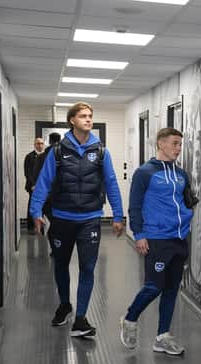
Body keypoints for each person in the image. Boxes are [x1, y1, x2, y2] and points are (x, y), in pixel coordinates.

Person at [30, 102, 125, 337]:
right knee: (60, 264)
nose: (88, 119)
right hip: (62, 218)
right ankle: (64, 304)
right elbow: (43, 183)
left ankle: (81, 319)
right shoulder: (58, 151)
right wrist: (35, 212)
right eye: (83, 116)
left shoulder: (102, 152)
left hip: (90, 218)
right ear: (71, 120)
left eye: (91, 115)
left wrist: (118, 214)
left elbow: (112, 183)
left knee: (88, 268)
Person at [120, 128, 193, 356]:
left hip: (179, 238)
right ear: (161, 144)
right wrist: (139, 235)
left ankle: (162, 336)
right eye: (175, 143)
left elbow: (186, 200)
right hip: (157, 237)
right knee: (154, 286)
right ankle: (130, 319)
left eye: (180, 144)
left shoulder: (182, 174)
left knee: (172, 289)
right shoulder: (145, 172)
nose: (178, 148)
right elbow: (134, 206)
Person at [24, 137, 46, 233]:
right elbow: (27, 172)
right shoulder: (29, 156)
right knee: (32, 206)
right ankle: (31, 227)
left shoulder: (46, 156)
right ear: (34, 145)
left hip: (43, 187)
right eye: (38, 143)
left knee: (43, 206)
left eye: (41, 143)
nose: (40, 145)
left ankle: (41, 227)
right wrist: (33, 185)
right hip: (33, 187)